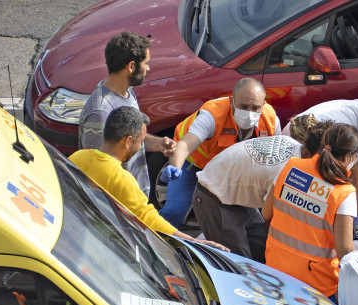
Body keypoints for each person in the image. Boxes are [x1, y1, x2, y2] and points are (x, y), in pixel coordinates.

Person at [69, 106, 226, 251]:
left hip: (73, 229)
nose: (140, 147)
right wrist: (194, 241)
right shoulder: (121, 179)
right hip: (101, 245)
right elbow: (148, 219)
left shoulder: (78, 157)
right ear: (128, 141)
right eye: (141, 141)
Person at [192, 119, 333, 263]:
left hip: (235, 193)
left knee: (264, 251)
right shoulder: (290, 169)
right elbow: (269, 216)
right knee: (240, 265)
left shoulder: (291, 145)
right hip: (214, 196)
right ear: (320, 154)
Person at [159, 78, 280, 228]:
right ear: (232, 101)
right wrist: (175, 166)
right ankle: (152, 242)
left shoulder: (271, 121)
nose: (249, 113)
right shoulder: (212, 115)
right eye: (243, 106)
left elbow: (275, 161)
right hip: (194, 166)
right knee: (174, 211)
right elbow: (184, 145)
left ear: (264, 105)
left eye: (255, 107)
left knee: (243, 221)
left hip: (232, 173)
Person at [263, 123, 358, 301]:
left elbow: (265, 213)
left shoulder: (290, 167)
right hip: (316, 285)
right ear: (350, 157)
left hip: (275, 269)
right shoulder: (344, 192)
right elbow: (345, 251)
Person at [78, 31, 175, 197]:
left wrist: (159, 144)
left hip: (133, 196)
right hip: (119, 207)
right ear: (131, 66)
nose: (148, 68)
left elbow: (131, 136)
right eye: (146, 63)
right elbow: (96, 178)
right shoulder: (100, 114)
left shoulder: (126, 92)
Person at [281, 99, 358, 222]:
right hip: (350, 115)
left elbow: (355, 179)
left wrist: (356, 217)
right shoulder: (288, 135)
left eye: (310, 153)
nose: (308, 157)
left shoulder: (340, 137)